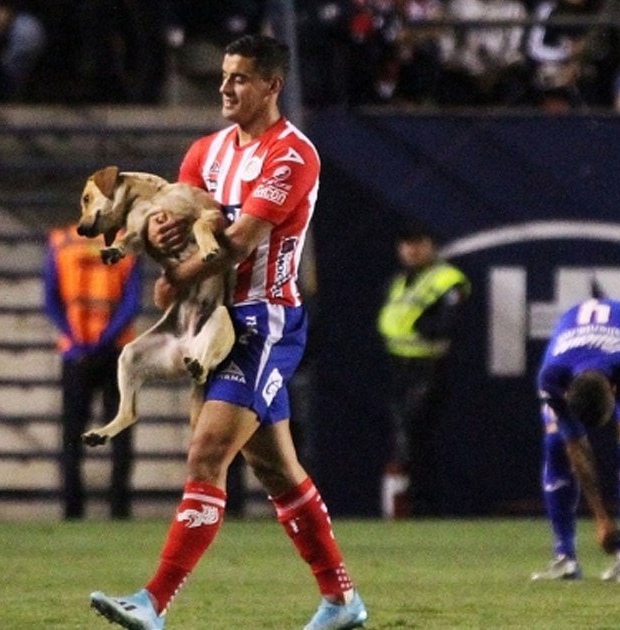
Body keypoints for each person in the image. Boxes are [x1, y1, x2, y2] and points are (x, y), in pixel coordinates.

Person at [87, 35, 368, 630]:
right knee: (277, 471)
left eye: (240, 78)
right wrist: (163, 244)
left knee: (207, 452)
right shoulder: (204, 153)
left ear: (272, 85)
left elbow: (238, 242)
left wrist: (176, 276)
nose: (225, 87)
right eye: (223, 76)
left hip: (262, 321)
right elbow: (182, 227)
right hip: (211, 319)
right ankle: (342, 601)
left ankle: (152, 601)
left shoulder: (292, 156)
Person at [530, 298, 620, 583]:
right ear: (566, 394)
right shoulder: (551, 377)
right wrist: (601, 517)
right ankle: (564, 557)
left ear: (614, 389)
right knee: (556, 442)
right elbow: (575, 446)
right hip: (576, 339)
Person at [43, 222, 142, 520]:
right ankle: (119, 509)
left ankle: (72, 510)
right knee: (121, 433)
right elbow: (131, 303)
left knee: (72, 435)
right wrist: (105, 340)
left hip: (76, 355)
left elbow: (50, 300)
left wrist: (76, 340)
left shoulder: (61, 242)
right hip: (116, 354)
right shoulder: (127, 245)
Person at [376, 227, 471, 518]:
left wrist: (428, 328)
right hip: (397, 366)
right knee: (403, 436)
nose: (411, 250)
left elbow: (449, 321)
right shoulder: (398, 281)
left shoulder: (447, 279)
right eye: (406, 243)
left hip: (429, 367)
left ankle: (423, 504)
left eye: (418, 243)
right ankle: (407, 504)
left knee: (417, 434)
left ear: (431, 245)